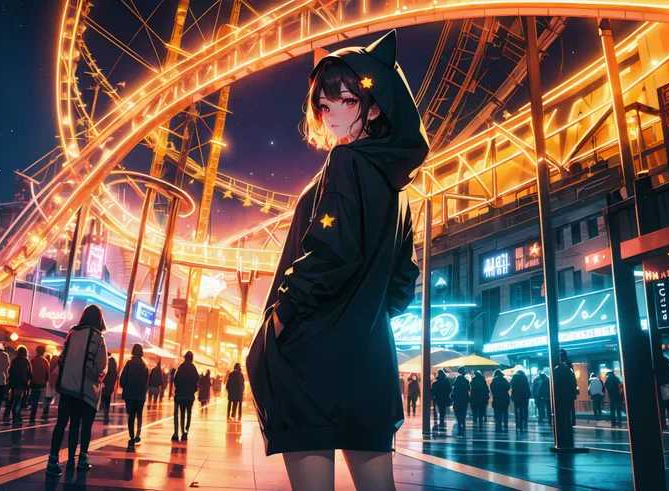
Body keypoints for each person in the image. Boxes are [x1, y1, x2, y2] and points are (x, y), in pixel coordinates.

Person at [245, 29, 430, 491]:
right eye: (323, 106)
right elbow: (403, 283)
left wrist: (283, 318)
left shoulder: (346, 163)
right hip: (370, 361)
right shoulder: (402, 189)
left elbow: (328, 253)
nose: (330, 116)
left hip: (314, 358)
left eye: (343, 101)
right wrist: (362, 316)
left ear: (375, 103)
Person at [46, 305, 108, 476]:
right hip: (86, 391)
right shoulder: (98, 337)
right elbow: (101, 368)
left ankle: (52, 460)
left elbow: (62, 359)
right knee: (84, 426)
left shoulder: (72, 333)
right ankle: (81, 458)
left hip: (67, 388)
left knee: (62, 423)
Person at [119, 343, 149, 447]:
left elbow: (122, 379)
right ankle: (138, 434)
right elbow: (147, 381)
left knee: (131, 415)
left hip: (129, 394)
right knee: (139, 414)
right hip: (140, 395)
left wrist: (124, 386)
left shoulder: (128, 363)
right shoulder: (145, 364)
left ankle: (131, 436)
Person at [172, 351, 199, 441]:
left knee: (181, 414)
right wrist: (193, 390)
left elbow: (175, 380)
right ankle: (186, 431)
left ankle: (180, 431)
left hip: (180, 395)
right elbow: (197, 381)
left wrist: (178, 388)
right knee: (189, 414)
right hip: (189, 396)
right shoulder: (194, 369)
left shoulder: (181, 367)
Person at [553, 350, 578, 443]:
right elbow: (573, 383)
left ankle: (562, 434)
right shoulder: (569, 369)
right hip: (568, 396)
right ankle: (568, 431)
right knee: (568, 414)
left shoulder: (557, 370)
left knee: (560, 416)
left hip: (560, 396)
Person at [8, 345, 33, 424]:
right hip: (22, 383)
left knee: (14, 399)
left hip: (14, 383)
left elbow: (10, 370)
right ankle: (16, 416)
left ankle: (13, 414)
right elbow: (30, 373)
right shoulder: (26, 361)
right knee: (18, 400)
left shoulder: (15, 360)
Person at [28, 346, 49, 424]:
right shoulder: (45, 361)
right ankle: (32, 417)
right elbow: (47, 374)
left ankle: (31, 416)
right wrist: (45, 382)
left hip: (33, 383)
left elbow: (30, 372)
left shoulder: (33, 360)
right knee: (36, 401)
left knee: (34, 399)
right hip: (40, 384)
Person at [451, 367, 471, 436]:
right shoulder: (466, 381)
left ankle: (459, 424)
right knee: (463, 412)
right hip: (464, 399)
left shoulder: (456, 381)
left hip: (457, 400)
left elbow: (452, 390)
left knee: (458, 412)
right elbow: (469, 390)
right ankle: (463, 423)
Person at [656, 354, 669, 430]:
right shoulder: (666, 360)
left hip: (658, 386)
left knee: (661, 407)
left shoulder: (655, 361)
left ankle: (662, 424)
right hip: (667, 387)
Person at [42, 354, 60, 421]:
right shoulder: (58, 367)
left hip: (49, 384)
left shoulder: (49, 365)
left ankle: (45, 412)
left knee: (47, 399)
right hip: (55, 384)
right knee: (57, 399)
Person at [101, 353, 117, 423]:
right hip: (108, 387)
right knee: (107, 403)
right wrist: (112, 386)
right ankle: (106, 418)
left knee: (100, 402)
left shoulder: (103, 360)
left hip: (102, 386)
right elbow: (114, 375)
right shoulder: (113, 361)